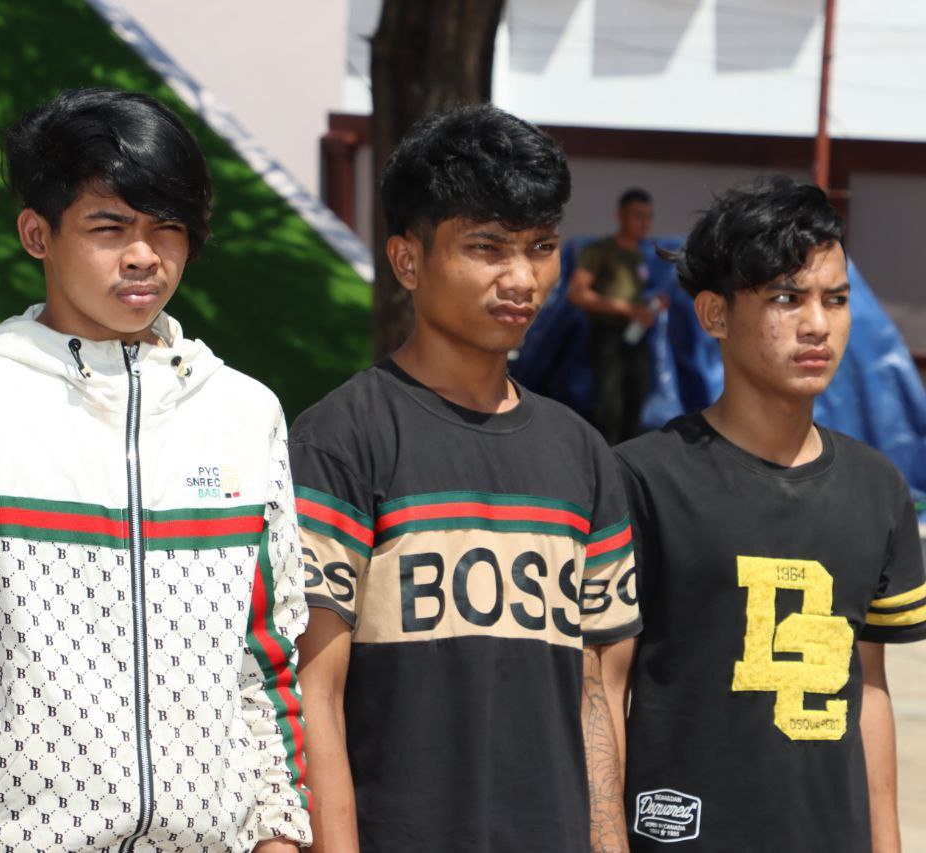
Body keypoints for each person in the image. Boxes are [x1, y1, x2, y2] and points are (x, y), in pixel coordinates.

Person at [0, 87, 310, 851]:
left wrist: (280, 834)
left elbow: (270, 655)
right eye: (109, 226)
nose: (144, 255)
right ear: (37, 233)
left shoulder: (246, 412)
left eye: (167, 227)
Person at [291, 104, 640, 853]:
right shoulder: (341, 440)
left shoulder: (583, 454)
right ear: (407, 261)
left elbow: (598, 693)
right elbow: (313, 693)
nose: (521, 277)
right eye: (486, 247)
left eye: (540, 247)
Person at [616, 175, 926, 851]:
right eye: (787, 298)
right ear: (714, 314)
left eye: (835, 299)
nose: (817, 324)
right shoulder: (640, 479)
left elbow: (869, 690)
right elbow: (601, 689)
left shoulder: (879, 487)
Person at [568, 187, 659, 445]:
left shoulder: (640, 254)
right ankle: (605, 455)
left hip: (635, 336)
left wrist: (649, 306)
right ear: (621, 215)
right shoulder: (601, 250)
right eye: (638, 215)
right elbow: (577, 294)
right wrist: (626, 309)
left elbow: (633, 296)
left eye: (648, 216)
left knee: (637, 396)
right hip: (607, 336)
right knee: (610, 404)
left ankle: (628, 457)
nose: (644, 223)